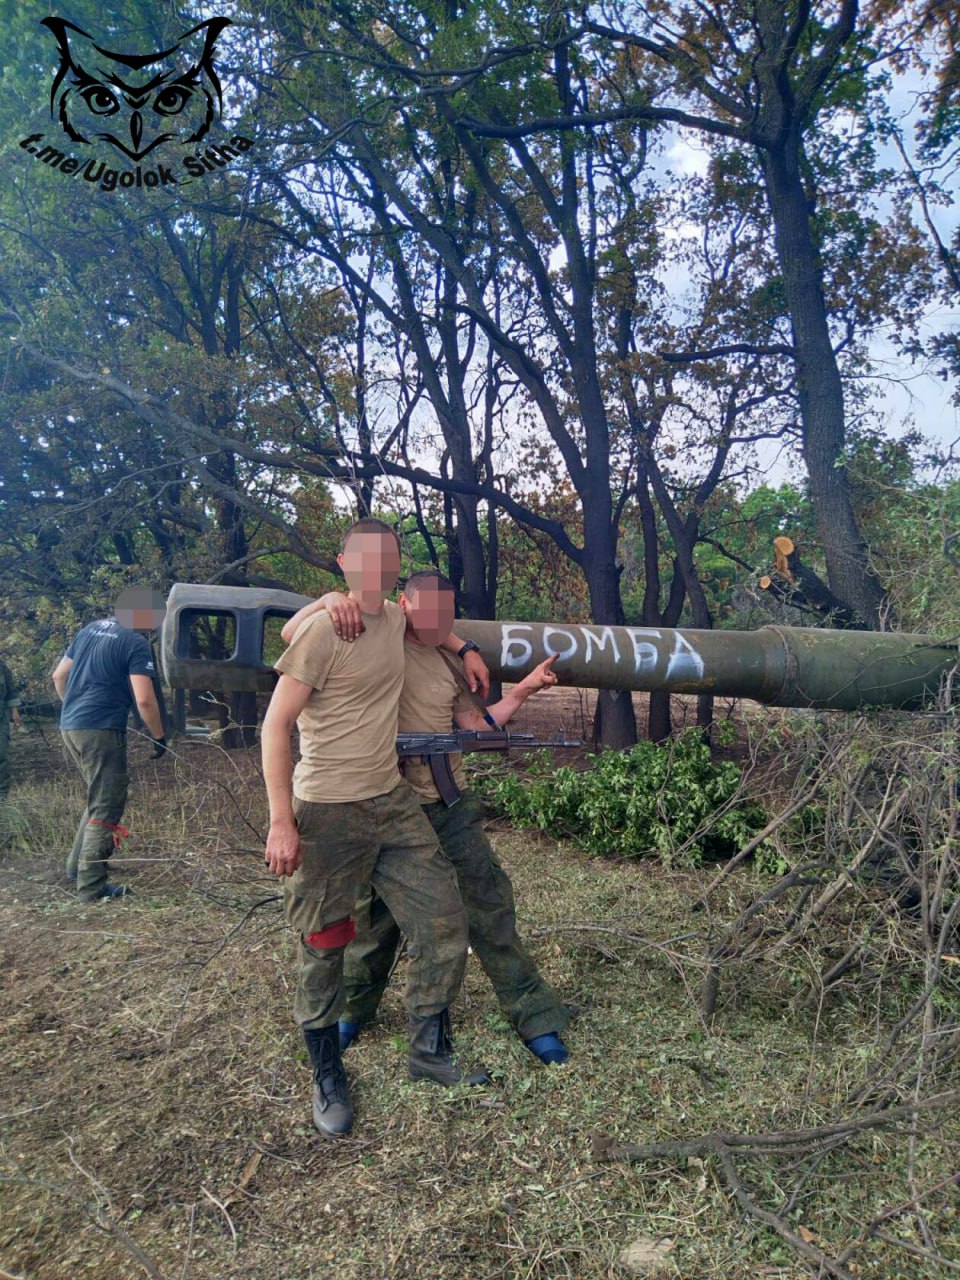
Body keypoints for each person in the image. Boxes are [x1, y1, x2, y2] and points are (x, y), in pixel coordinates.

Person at [263, 518, 491, 1140]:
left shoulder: (391, 617)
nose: (377, 567)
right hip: (327, 808)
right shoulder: (324, 625)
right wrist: (282, 821)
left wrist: (466, 649)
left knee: (443, 919)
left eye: (387, 557)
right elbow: (274, 725)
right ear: (342, 562)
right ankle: (327, 1074)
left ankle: (428, 1052)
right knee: (325, 940)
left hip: (390, 799)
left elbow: (433, 625)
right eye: (364, 559)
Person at [288, 570, 572, 1066]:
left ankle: (533, 1013)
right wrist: (330, 597)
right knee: (373, 921)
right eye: (429, 609)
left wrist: (522, 689)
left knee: (487, 904)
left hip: (446, 806)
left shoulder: (446, 659)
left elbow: (477, 726)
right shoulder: (371, 635)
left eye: (449, 611)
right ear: (402, 603)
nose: (440, 619)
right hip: (379, 803)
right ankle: (355, 1007)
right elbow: (298, 633)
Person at [52, 588, 167, 902]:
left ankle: (77, 868)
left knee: (97, 797)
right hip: (101, 729)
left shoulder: (90, 630)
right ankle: (92, 888)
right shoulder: (135, 643)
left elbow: (59, 676)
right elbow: (144, 699)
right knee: (106, 806)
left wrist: (74, 709)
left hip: (70, 726)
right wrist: (159, 736)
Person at [0, 659, 22, 802]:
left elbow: (11, 691)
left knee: (1, 754)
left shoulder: (2, 666)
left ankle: (2, 795)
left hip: (1, 716)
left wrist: (15, 711)